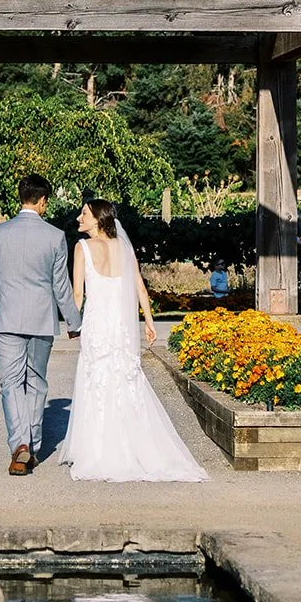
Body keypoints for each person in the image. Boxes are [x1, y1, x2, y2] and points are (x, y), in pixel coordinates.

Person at [61, 198, 207, 483]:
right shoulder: (124, 248)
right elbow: (139, 286)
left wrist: (71, 324)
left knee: (97, 381)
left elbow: (77, 295)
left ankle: (99, 450)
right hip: (120, 329)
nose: (79, 218)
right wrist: (149, 322)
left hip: (97, 327)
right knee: (125, 381)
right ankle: (133, 446)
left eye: (84, 214)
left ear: (98, 219)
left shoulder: (82, 249)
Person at [0, 174, 81, 476]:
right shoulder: (54, 236)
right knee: (36, 381)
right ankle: (33, 446)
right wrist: (74, 322)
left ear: (20, 197)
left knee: (10, 383)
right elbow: (61, 286)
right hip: (41, 320)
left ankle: (20, 446)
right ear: (41, 201)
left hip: (7, 318)